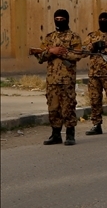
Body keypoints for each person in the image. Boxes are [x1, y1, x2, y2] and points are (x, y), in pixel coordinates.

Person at [31, 9, 83, 146]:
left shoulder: (74, 37)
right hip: (52, 79)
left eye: (62, 18)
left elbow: (78, 55)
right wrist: (51, 51)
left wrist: (62, 53)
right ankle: (55, 134)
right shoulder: (49, 37)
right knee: (53, 108)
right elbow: (40, 58)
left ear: (67, 19)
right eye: (57, 18)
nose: (59, 21)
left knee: (68, 107)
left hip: (67, 79)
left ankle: (70, 134)